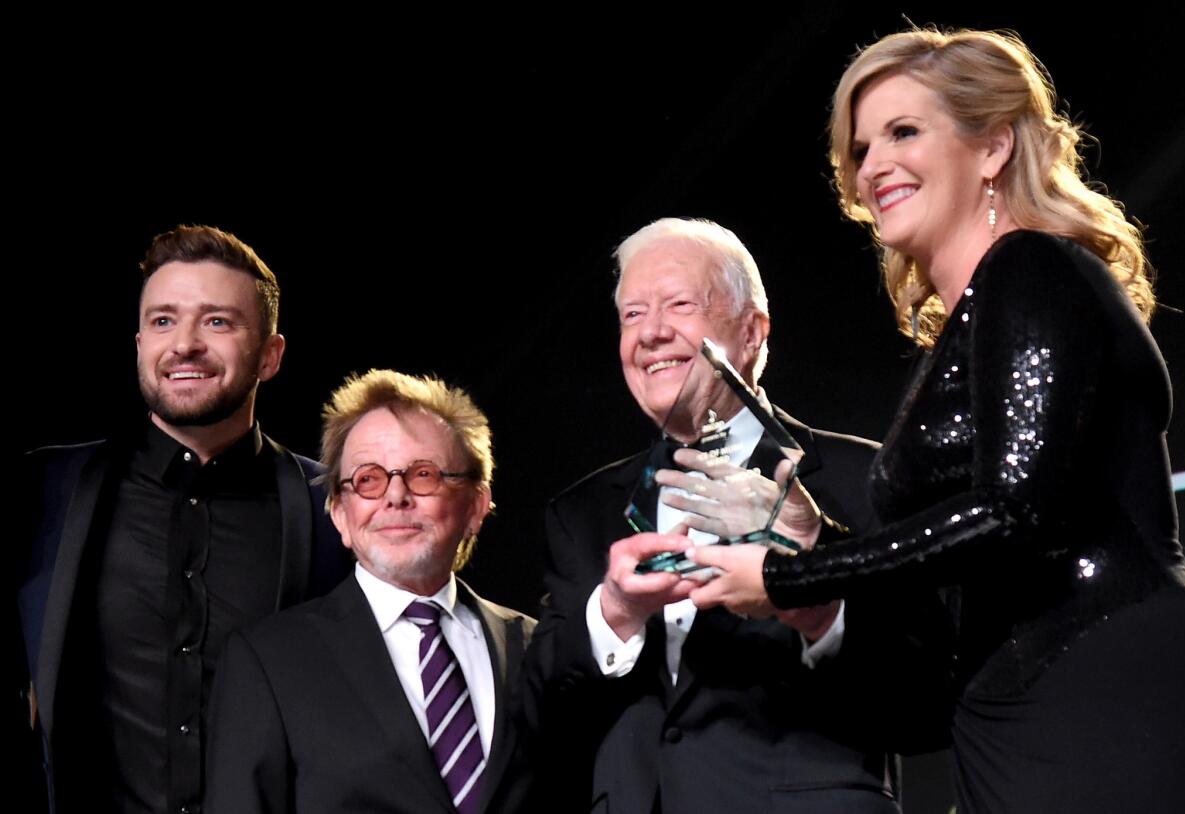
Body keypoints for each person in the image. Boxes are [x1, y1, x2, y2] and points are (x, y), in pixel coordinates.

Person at [683, 28, 1185, 813]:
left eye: (903, 132)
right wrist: (817, 541)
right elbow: (954, 582)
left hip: (1098, 677)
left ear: (992, 147)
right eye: (859, 148)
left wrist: (788, 575)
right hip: (1005, 708)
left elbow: (1015, 509)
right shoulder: (972, 322)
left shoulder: (1033, 268)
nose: (873, 165)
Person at [524, 217, 952, 813]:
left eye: (678, 304)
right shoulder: (581, 513)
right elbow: (536, 721)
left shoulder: (865, 480)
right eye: (632, 314)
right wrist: (615, 614)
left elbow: (929, 704)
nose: (650, 333)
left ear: (751, 333)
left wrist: (814, 597)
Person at [16, 225, 349, 814]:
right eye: (164, 321)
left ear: (270, 356)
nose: (185, 344)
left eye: (218, 322)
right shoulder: (44, 491)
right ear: (139, 343)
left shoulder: (337, 505)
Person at [206, 369, 537, 814]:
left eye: (424, 474)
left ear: (476, 505)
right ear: (340, 514)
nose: (395, 496)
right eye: (368, 479)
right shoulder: (268, 662)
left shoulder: (539, 646)